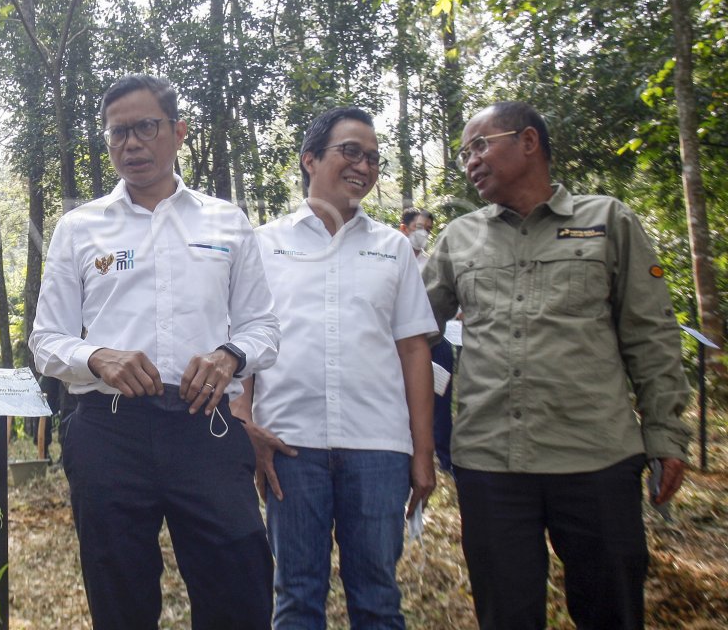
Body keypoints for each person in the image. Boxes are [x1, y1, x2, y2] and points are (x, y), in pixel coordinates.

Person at [422, 101, 690, 629]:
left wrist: (665, 434)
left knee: (611, 610)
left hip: (595, 459)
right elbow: (412, 332)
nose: (470, 161)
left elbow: (650, 334)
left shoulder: (608, 221)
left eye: (479, 144)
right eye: (463, 153)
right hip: (491, 464)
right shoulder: (458, 239)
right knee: (506, 614)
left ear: (528, 142)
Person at [29, 74, 281, 630]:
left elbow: (264, 326)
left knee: (239, 588)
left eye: (146, 127)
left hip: (206, 427)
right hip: (108, 429)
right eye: (118, 133)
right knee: (119, 595)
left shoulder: (227, 222)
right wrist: (98, 359)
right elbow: (45, 339)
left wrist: (229, 356)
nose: (131, 144)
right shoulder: (80, 227)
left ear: (178, 132)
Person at [232, 107, 436, 629]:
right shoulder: (264, 244)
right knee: (297, 595)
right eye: (350, 151)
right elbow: (243, 343)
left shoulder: (393, 248)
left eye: (372, 157)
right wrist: (244, 424)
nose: (363, 166)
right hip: (289, 447)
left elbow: (414, 351)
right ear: (309, 159)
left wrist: (423, 453)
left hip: (379, 451)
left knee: (377, 597)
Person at [399, 207, 457, 475]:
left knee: (440, 405)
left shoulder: (431, 265)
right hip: (400, 346)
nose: (423, 234)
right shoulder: (390, 260)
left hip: (435, 345)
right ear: (404, 228)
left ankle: (445, 459)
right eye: (418, 228)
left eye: (428, 229)